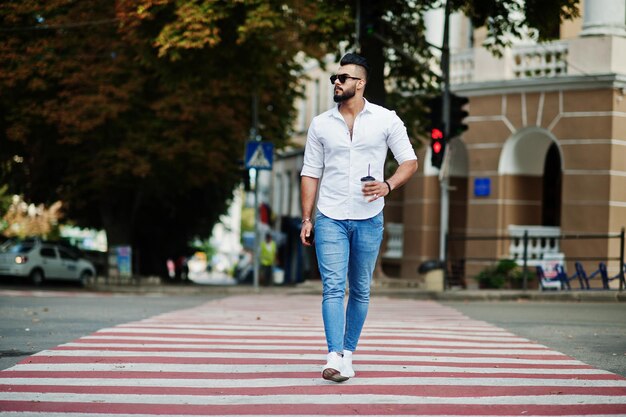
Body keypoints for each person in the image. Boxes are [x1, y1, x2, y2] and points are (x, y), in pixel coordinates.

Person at [300, 53, 418, 382]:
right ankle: (333, 355)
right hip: (331, 216)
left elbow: (409, 161)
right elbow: (310, 173)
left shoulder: (386, 120)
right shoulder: (321, 124)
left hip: (369, 217)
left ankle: (348, 354)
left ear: (360, 83)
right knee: (333, 288)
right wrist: (307, 217)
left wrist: (388, 185)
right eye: (334, 79)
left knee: (361, 289)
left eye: (343, 78)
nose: (336, 82)